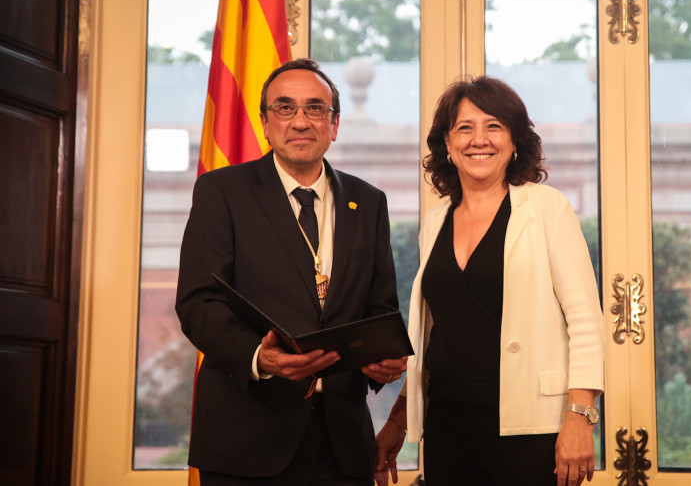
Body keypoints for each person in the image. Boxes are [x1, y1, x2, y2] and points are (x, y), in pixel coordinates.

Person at [176, 58, 407, 486]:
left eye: (315, 108)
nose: (300, 121)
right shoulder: (221, 192)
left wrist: (382, 361)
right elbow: (198, 303)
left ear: (334, 124)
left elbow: (379, 308)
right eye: (285, 108)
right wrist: (258, 357)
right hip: (246, 439)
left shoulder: (368, 201)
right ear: (265, 122)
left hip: (343, 445)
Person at [374, 76, 605, 486]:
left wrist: (580, 418)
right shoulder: (434, 221)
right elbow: (433, 335)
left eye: (494, 126)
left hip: (530, 428)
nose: (478, 139)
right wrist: (399, 418)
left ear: (515, 141)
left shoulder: (547, 209)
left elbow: (586, 322)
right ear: (447, 143)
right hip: (447, 427)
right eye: (465, 127)